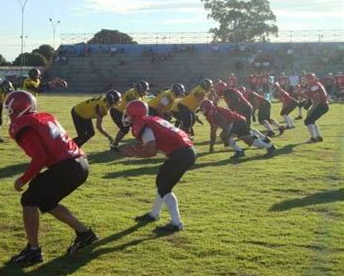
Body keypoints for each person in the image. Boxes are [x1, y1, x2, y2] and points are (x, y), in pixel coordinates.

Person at [5, 91, 97, 265]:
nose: (9, 113)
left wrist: (23, 179)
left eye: (10, 109)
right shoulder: (44, 118)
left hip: (67, 166)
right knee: (45, 202)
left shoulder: (25, 125)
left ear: (18, 108)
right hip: (80, 163)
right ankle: (85, 234)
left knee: (29, 199)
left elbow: (40, 157)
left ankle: (33, 251)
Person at [120, 100, 196, 232]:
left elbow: (151, 150)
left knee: (164, 186)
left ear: (134, 114)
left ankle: (176, 223)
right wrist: (135, 148)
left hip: (181, 153)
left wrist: (134, 154)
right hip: (184, 151)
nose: (126, 116)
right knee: (162, 183)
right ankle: (154, 214)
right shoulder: (151, 119)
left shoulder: (142, 124)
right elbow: (153, 142)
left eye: (128, 114)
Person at [199, 100, 275, 159]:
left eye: (203, 109)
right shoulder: (211, 114)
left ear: (208, 107)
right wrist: (211, 146)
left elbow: (226, 124)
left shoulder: (216, 113)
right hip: (235, 122)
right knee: (245, 140)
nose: (202, 111)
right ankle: (240, 150)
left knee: (248, 141)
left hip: (238, 121)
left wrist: (228, 135)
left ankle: (270, 147)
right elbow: (213, 130)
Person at [110, 81, 149, 151]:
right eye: (145, 90)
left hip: (126, 112)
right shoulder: (132, 94)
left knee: (139, 125)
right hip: (118, 111)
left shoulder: (137, 94)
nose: (146, 91)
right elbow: (131, 106)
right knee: (124, 128)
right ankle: (114, 145)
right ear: (140, 89)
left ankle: (141, 143)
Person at [302, 73, 329, 142]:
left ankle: (313, 139)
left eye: (305, 79)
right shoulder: (314, 84)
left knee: (308, 121)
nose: (304, 80)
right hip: (321, 105)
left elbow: (317, 100)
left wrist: (311, 110)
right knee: (311, 120)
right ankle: (318, 137)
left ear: (309, 79)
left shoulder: (314, 86)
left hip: (321, 106)